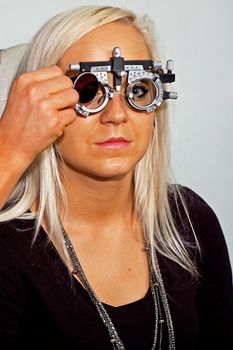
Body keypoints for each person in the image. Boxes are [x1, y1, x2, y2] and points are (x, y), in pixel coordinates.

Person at [0, 5, 232, 350]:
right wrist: (12, 147)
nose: (117, 114)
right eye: (88, 90)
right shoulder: (9, 245)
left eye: (138, 91)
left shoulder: (189, 219)